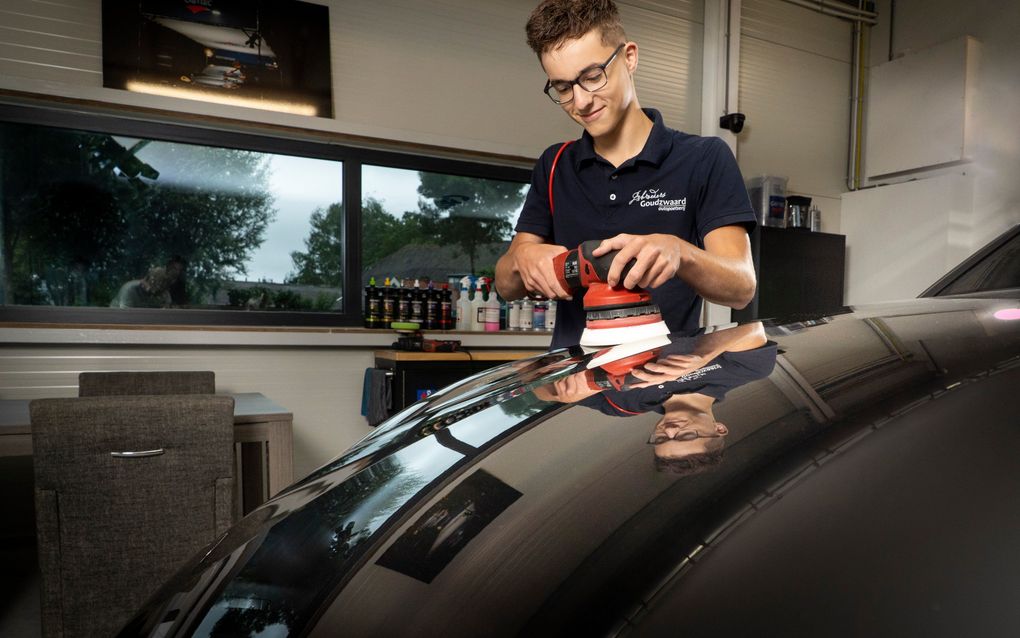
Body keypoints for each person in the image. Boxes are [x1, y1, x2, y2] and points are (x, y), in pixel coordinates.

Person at [495, 0, 758, 348]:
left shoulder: (703, 158)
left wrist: (679, 252)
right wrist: (522, 259)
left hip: (664, 386)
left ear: (629, 57)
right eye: (562, 88)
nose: (581, 101)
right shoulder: (554, 164)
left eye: (592, 77)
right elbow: (504, 285)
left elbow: (741, 288)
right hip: (577, 390)